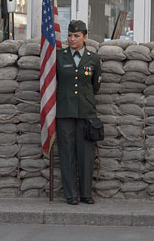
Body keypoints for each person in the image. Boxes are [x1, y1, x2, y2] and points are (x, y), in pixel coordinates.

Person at [56, 20, 102, 205]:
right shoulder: (59, 57)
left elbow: (95, 86)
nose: (72, 39)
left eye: (76, 36)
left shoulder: (93, 58)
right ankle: (70, 194)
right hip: (65, 112)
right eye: (69, 35)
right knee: (67, 154)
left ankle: (85, 193)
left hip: (86, 112)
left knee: (86, 155)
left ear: (85, 37)